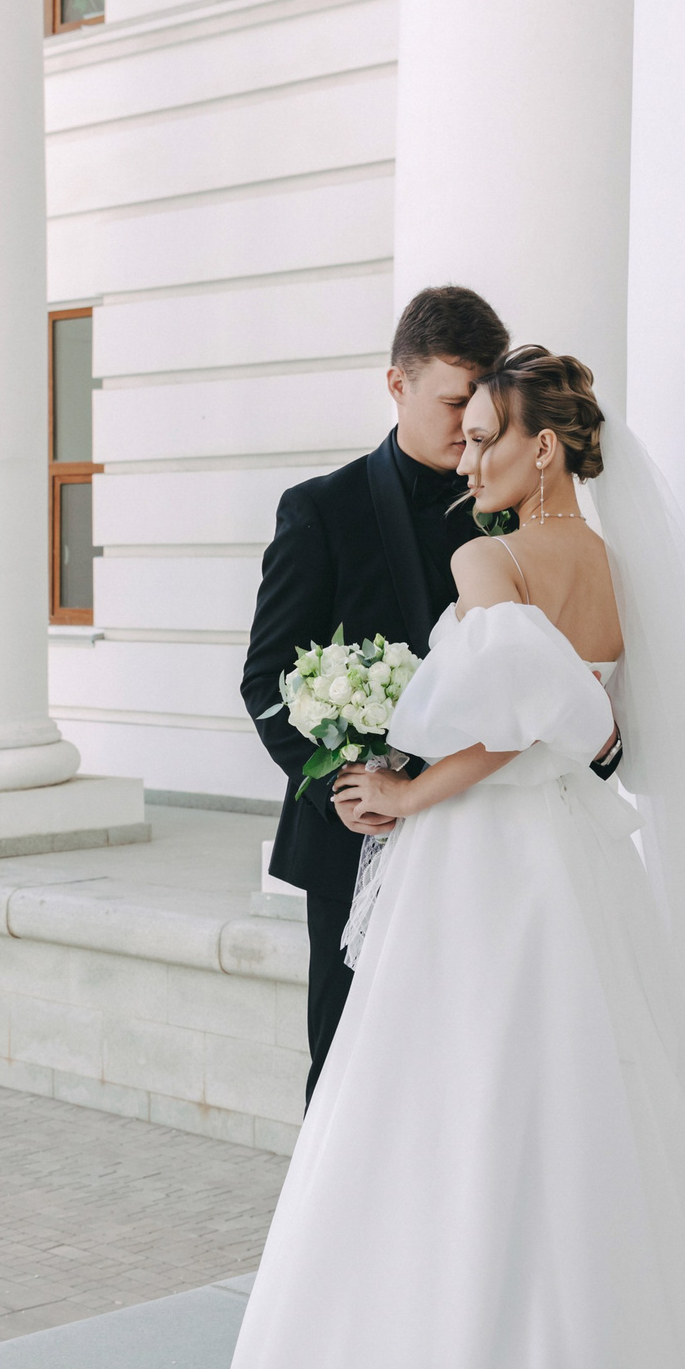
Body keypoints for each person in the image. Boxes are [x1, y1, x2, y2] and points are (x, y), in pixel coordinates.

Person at [212, 347, 685, 1369]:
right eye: (461, 434)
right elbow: (599, 721)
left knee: (459, 1101)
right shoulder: (615, 569)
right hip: (573, 855)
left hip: (484, 858)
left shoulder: (487, 553)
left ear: (544, 449)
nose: (466, 456)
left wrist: (405, 794)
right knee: (594, 1100)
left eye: (485, 438)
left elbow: (516, 721)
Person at [242, 287, 619, 1107]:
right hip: (358, 840)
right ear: (396, 385)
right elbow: (265, 678)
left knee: (480, 1074)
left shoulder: (508, 517)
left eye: (481, 409)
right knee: (351, 1075)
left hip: (489, 842)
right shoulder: (320, 510)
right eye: (454, 403)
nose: (468, 430)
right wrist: (342, 785)